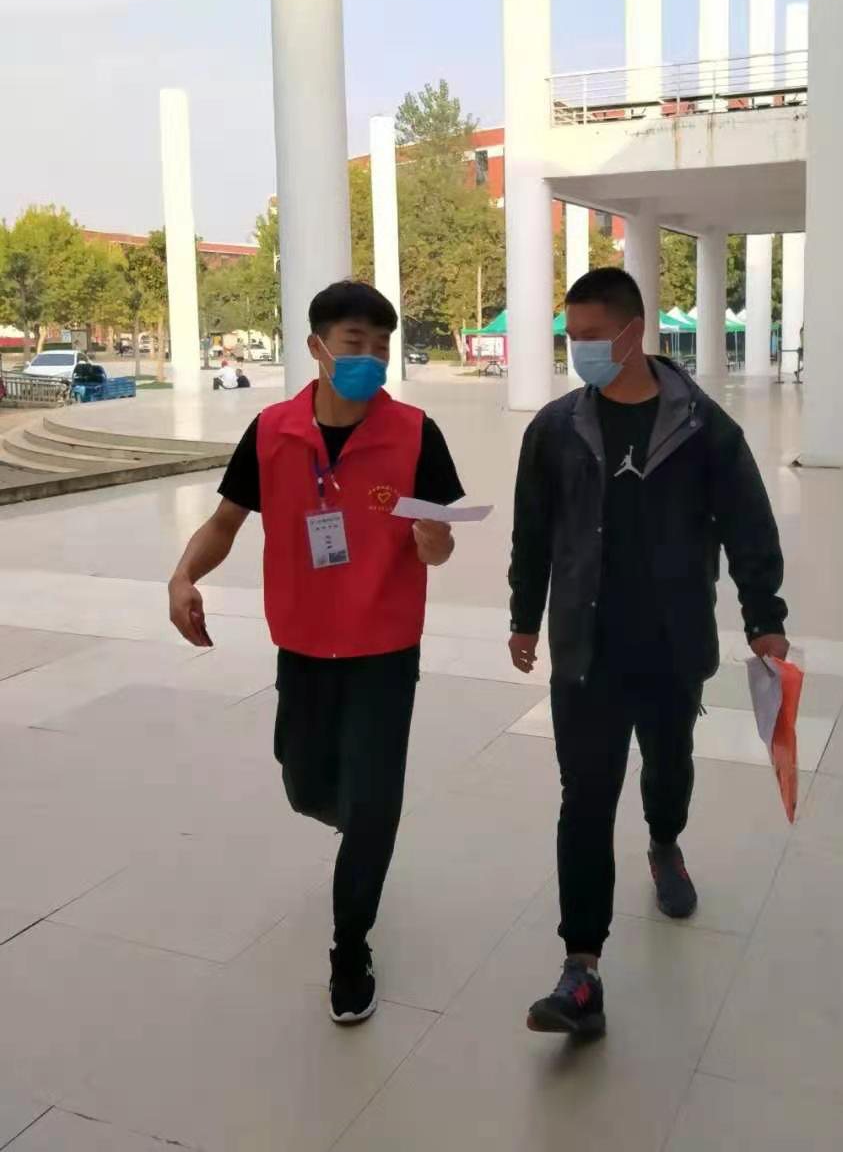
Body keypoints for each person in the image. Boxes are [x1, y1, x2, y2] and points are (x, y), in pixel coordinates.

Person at [168, 281, 463, 1024]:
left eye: (381, 347)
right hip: (301, 643)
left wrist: (435, 541)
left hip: (384, 646)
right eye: (355, 343)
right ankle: (352, 814)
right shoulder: (272, 431)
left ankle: (350, 947)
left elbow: (439, 542)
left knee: (373, 804)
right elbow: (225, 522)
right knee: (304, 785)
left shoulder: (416, 433)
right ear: (317, 347)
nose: (370, 358)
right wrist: (183, 576)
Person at [508, 267, 787, 1037]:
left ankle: (665, 841)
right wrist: (524, 616)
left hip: (671, 645)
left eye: (593, 336)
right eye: (572, 337)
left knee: (668, 768)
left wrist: (765, 617)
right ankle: (582, 968)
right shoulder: (555, 429)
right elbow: (533, 530)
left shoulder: (703, 428)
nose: (580, 350)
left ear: (634, 333)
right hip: (584, 650)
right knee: (584, 798)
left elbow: (748, 526)